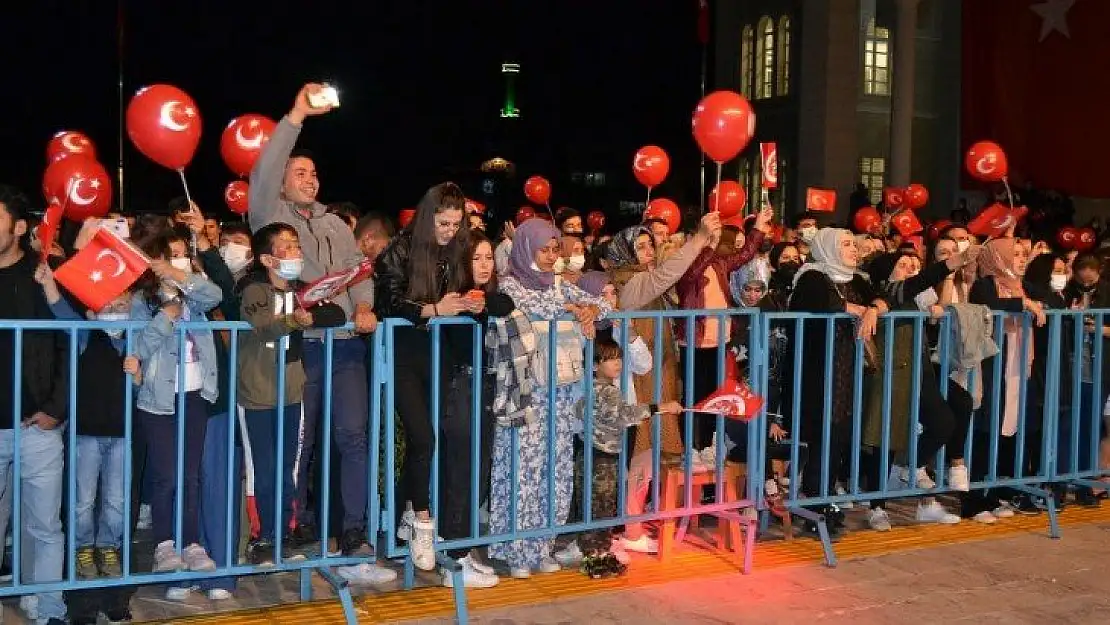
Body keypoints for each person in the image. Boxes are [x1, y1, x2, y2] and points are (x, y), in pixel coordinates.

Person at [249, 83, 379, 564]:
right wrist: (297, 115)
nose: (310, 178)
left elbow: (359, 273)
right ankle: (290, 526)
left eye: (314, 172)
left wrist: (364, 307)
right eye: (299, 172)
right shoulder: (271, 217)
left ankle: (354, 531)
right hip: (303, 346)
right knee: (299, 442)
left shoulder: (334, 224)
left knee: (354, 437)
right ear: (282, 183)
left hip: (344, 347)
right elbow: (262, 173)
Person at [489, 218, 612, 578]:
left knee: (554, 470)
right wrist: (573, 311)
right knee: (521, 470)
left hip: (558, 392)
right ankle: (516, 549)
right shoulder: (509, 285)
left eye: (555, 248)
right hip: (525, 393)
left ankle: (543, 544)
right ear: (526, 247)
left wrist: (589, 310)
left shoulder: (558, 284)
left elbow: (601, 304)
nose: (550, 256)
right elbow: (535, 308)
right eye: (544, 248)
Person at [236, 224, 353, 569]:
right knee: (262, 469)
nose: (294, 252)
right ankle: (262, 537)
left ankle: (283, 533)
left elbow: (337, 313)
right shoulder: (253, 289)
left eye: (295, 244)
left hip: (291, 393)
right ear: (267, 258)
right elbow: (264, 325)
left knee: (289, 467)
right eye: (285, 246)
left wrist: (308, 314)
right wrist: (295, 320)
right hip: (257, 393)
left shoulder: (301, 291)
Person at [373, 182, 473, 572]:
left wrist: (467, 303)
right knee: (422, 436)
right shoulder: (398, 249)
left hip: (438, 352)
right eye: (444, 223)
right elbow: (387, 303)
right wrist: (434, 309)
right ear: (428, 215)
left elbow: (459, 297)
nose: (449, 230)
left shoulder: (455, 251)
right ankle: (422, 520)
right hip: (402, 351)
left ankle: (408, 511)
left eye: (455, 224)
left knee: (427, 440)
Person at [128, 234, 223, 573]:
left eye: (183, 256)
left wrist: (182, 276)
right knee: (166, 474)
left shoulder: (194, 298)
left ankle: (191, 542)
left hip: (196, 392)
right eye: (173, 255)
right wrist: (165, 317)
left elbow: (216, 295)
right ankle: (164, 544)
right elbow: (138, 346)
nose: (179, 261)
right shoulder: (142, 299)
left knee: (191, 474)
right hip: (159, 398)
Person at [0, 184, 69, 625]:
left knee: (45, 527)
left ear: (19, 226)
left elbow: (72, 341)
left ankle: (46, 608)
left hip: (37, 425)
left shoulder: (46, 274)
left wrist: (56, 409)